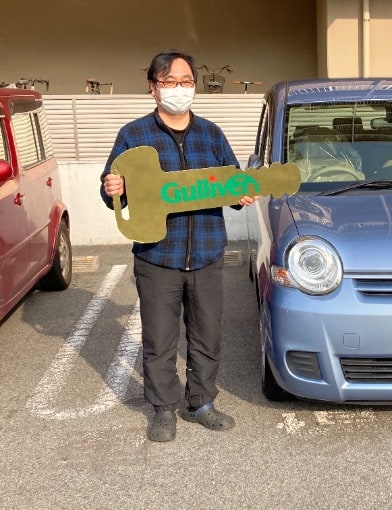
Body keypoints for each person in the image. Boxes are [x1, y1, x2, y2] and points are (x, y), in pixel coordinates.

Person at [100, 49, 257, 442]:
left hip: (206, 253)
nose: (179, 90)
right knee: (160, 339)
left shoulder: (211, 133)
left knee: (207, 335)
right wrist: (113, 189)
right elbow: (111, 191)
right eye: (170, 82)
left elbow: (232, 182)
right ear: (153, 88)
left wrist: (243, 193)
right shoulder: (133, 136)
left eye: (186, 82)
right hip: (157, 257)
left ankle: (202, 402)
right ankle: (163, 409)